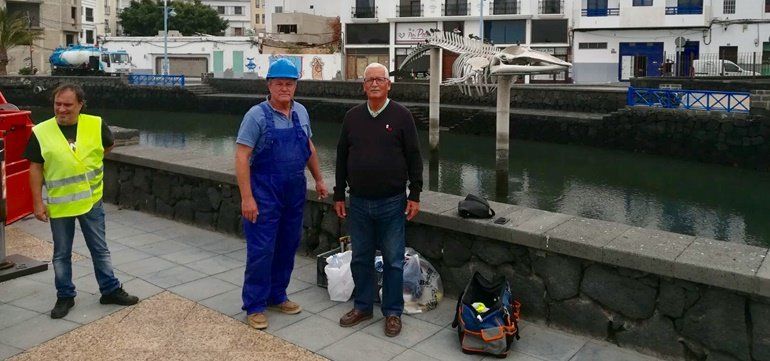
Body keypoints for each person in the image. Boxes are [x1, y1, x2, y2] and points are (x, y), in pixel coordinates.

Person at [25, 84, 138, 319]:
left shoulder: (95, 124)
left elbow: (107, 146)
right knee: (61, 254)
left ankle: (110, 290)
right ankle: (65, 296)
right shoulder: (41, 131)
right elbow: (35, 167)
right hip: (61, 204)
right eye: (58, 104)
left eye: (68, 104)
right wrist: (37, 202)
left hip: (91, 200)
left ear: (80, 105)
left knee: (99, 249)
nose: (62, 109)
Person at [235, 58, 328, 330]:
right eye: (279, 84)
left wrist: (319, 179)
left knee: (287, 245)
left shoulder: (301, 112)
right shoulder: (255, 116)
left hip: (294, 190)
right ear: (269, 85)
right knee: (261, 250)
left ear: (296, 86)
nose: (285, 88)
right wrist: (247, 197)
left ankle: (278, 295)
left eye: (290, 83)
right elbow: (242, 157)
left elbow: (308, 147)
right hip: (264, 192)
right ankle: (254, 305)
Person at [334, 63, 423, 337]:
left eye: (380, 79)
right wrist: (339, 194)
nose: (374, 83)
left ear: (388, 85)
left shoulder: (402, 115)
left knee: (394, 260)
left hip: (392, 202)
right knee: (360, 258)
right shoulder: (352, 117)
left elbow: (414, 157)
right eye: (369, 80)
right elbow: (340, 157)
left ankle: (393, 312)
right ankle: (362, 306)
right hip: (358, 201)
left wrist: (415, 194)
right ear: (363, 86)